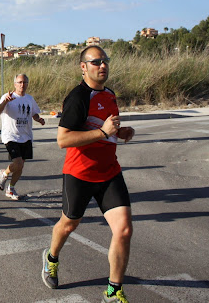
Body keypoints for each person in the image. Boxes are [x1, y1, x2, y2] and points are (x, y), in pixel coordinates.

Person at [41, 46, 135, 303]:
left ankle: (113, 290)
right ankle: (51, 258)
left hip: (109, 173)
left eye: (105, 61)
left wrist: (121, 132)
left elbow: (106, 129)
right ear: (83, 67)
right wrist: (103, 133)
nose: (102, 65)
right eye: (96, 62)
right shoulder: (78, 97)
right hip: (80, 174)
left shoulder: (110, 94)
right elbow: (63, 139)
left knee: (124, 230)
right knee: (69, 224)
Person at [0, 74, 45, 200]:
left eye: (25, 82)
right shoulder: (8, 97)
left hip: (26, 136)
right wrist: (6, 101)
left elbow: (34, 114)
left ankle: (10, 188)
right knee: (18, 162)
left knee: (21, 166)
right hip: (10, 136)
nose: (22, 85)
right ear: (15, 84)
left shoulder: (29, 99)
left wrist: (39, 119)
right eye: (20, 82)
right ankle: (4, 174)